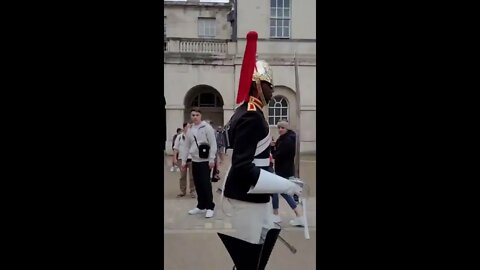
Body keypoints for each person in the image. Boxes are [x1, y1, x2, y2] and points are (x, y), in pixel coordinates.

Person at [218, 31, 302, 270]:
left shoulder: (245, 112)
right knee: (248, 259)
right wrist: (284, 185)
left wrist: (279, 181)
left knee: (258, 251)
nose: (272, 91)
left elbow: (258, 160)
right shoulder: (251, 117)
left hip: (255, 194)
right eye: (269, 85)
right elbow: (244, 166)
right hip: (247, 195)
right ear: (257, 84)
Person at [180, 108, 217, 218]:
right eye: (193, 115)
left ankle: (210, 206)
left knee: (206, 184)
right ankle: (201, 206)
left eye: (197, 115)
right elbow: (186, 146)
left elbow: (213, 144)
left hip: (205, 161)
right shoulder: (190, 130)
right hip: (194, 160)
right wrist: (183, 161)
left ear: (200, 116)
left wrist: (212, 159)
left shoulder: (207, 128)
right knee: (198, 184)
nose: (195, 117)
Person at [270, 120, 305, 227]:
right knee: (281, 192)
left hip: (283, 170)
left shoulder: (287, 141)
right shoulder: (286, 138)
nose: (280, 130)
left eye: (282, 128)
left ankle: (279, 215)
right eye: (279, 127)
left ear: (287, 129)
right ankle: (297, 216)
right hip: (285, 169)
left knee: (282, 192)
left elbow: (277, 155)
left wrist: (272, 147)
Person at [173, 122, 196, 198]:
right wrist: (174, 158)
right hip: (182, 158)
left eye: (190, 127)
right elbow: (175, 148)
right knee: (182, 176)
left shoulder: (193, 137)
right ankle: (182, 191)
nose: (189, 129)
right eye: (188, 127)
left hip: (192, 158)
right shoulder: (179, 137)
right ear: (184, 128)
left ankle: (192, 191)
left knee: (192, 176)